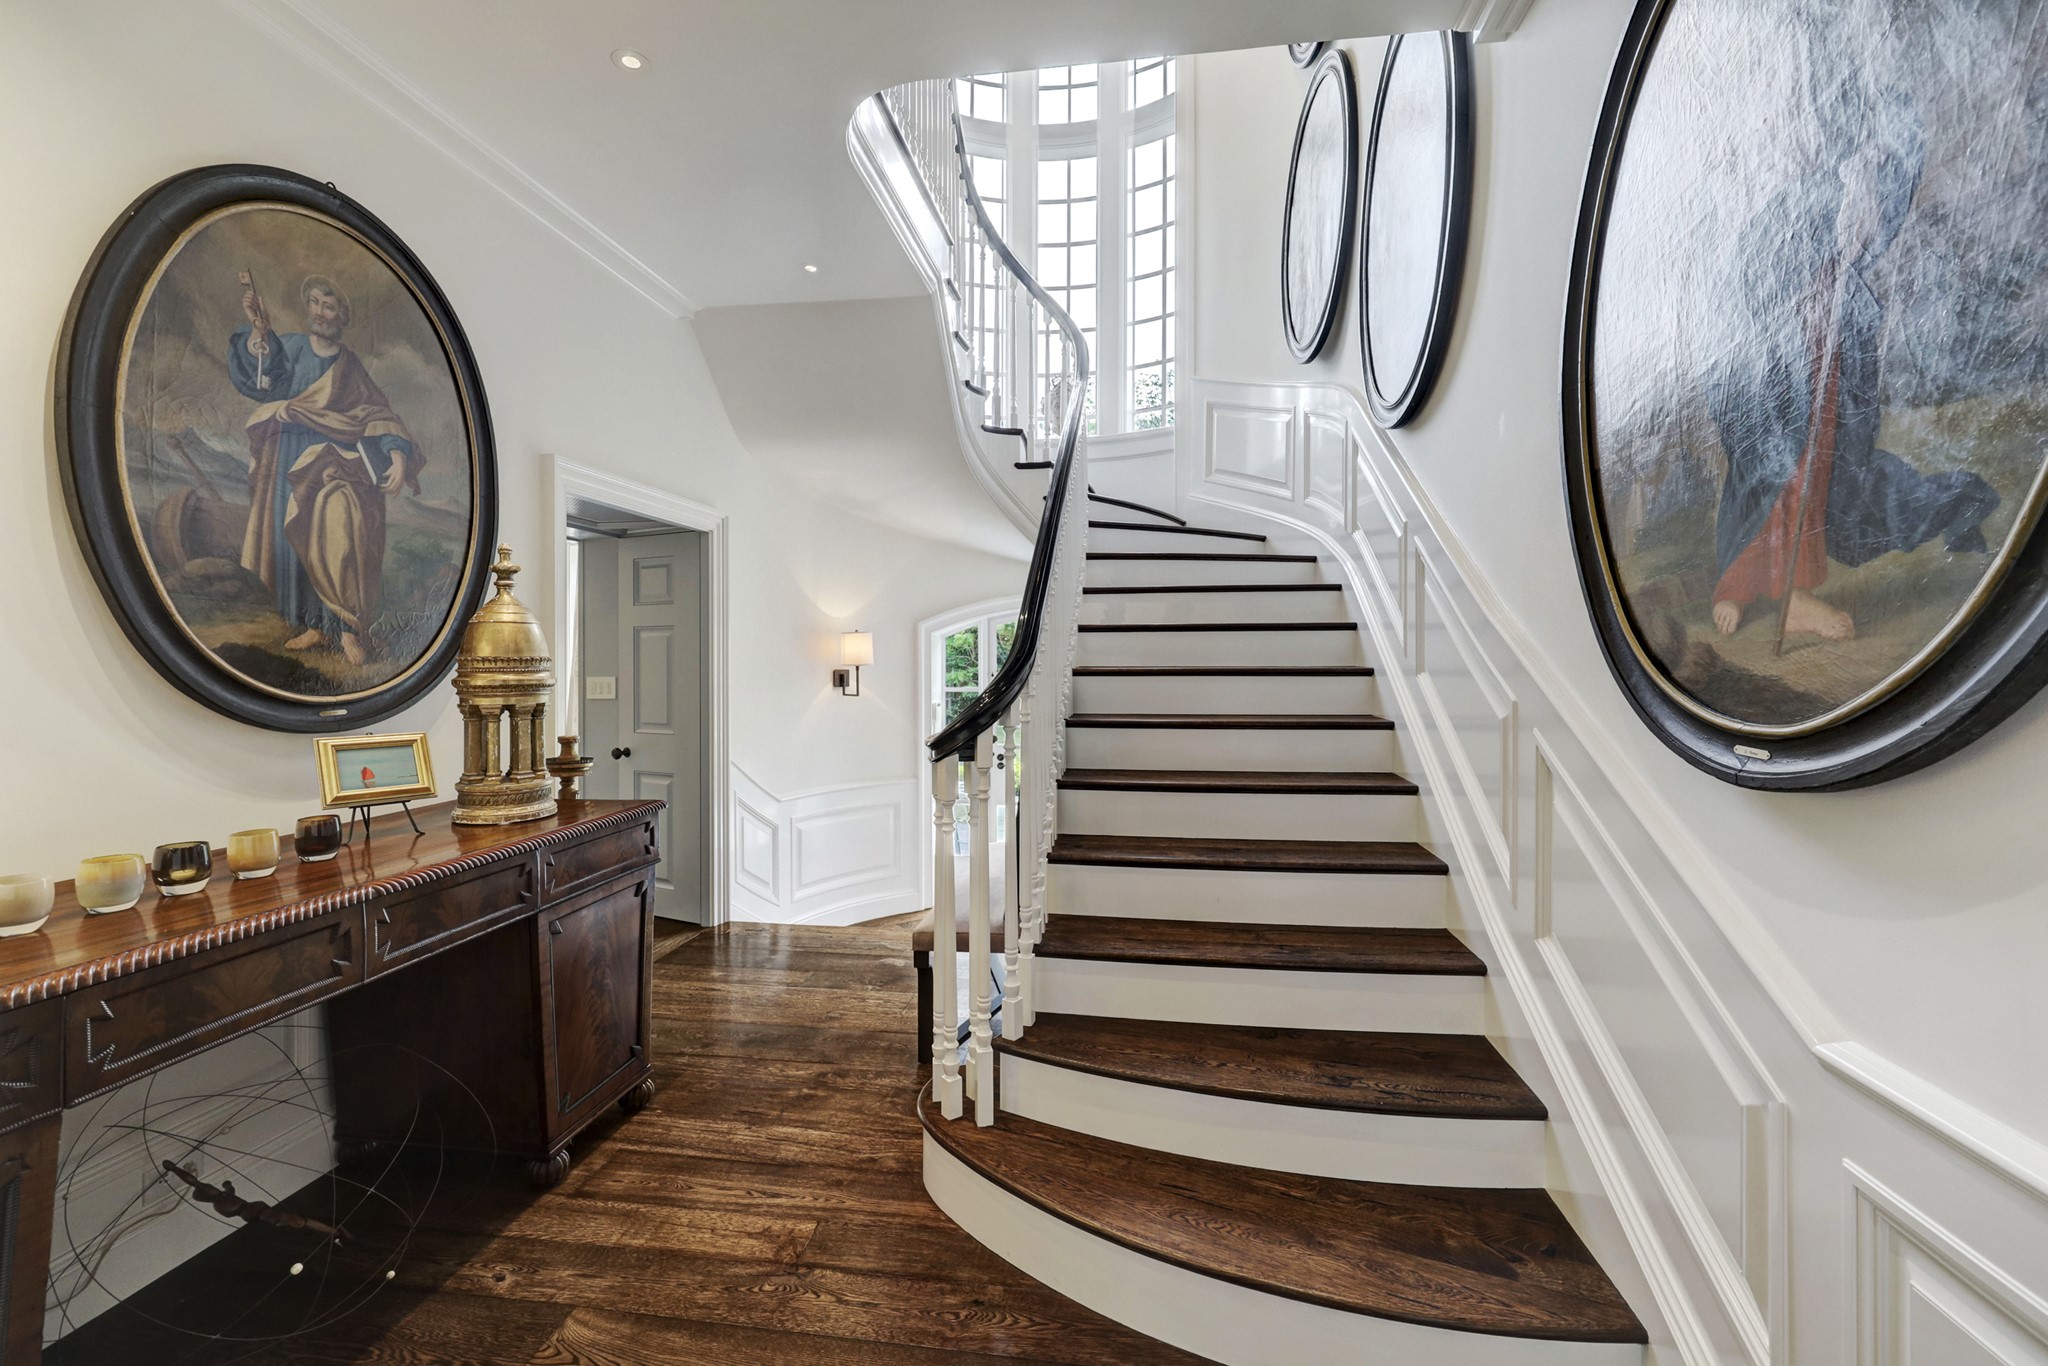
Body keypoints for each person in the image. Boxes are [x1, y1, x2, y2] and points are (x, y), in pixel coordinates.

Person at [1704, 76, 1996, 644]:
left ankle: (1793, 594)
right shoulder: (1805, 194)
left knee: (1816, 474)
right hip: (1785, 351)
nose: (1887, 165)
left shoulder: (1870, 190)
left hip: (1827, 350)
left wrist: (1839, 290)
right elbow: (1762, 277)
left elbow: (1858, 256)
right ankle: (1748, 586)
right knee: (1773, 467)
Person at [229, 274, 420, 667]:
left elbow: (377, 412)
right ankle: (314, 624)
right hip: (288, 453)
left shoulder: (349, 366)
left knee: (338, 531)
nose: (319, 311)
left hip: (334, 459)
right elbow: (264, 380)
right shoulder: (294, 348)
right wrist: (259, 333)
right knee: (292, 541)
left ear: (342, 316)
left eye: (328, 306)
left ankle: (346, 625)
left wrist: (397, 454)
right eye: (314, 302)